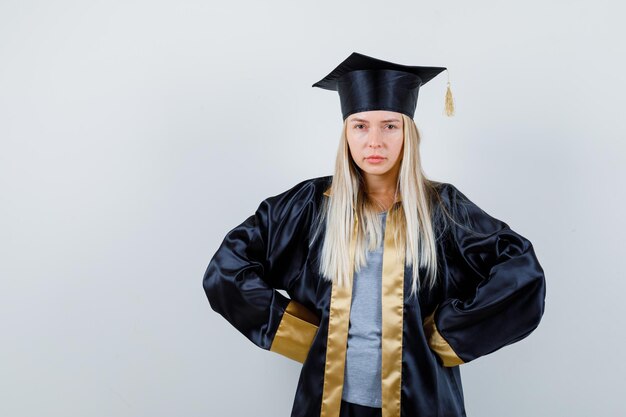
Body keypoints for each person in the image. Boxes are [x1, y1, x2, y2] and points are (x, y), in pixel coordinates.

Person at [202, 52, 546, 417]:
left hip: (421, 401)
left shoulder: (443, 209)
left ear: (408, 132)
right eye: (361, 126)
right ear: (346, 133)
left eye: (390, 126)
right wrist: (303, 336)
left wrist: (445, 336)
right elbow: (227, 269)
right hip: (331, 402)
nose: (375, 142)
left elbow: (522, 274)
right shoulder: (309, 206)